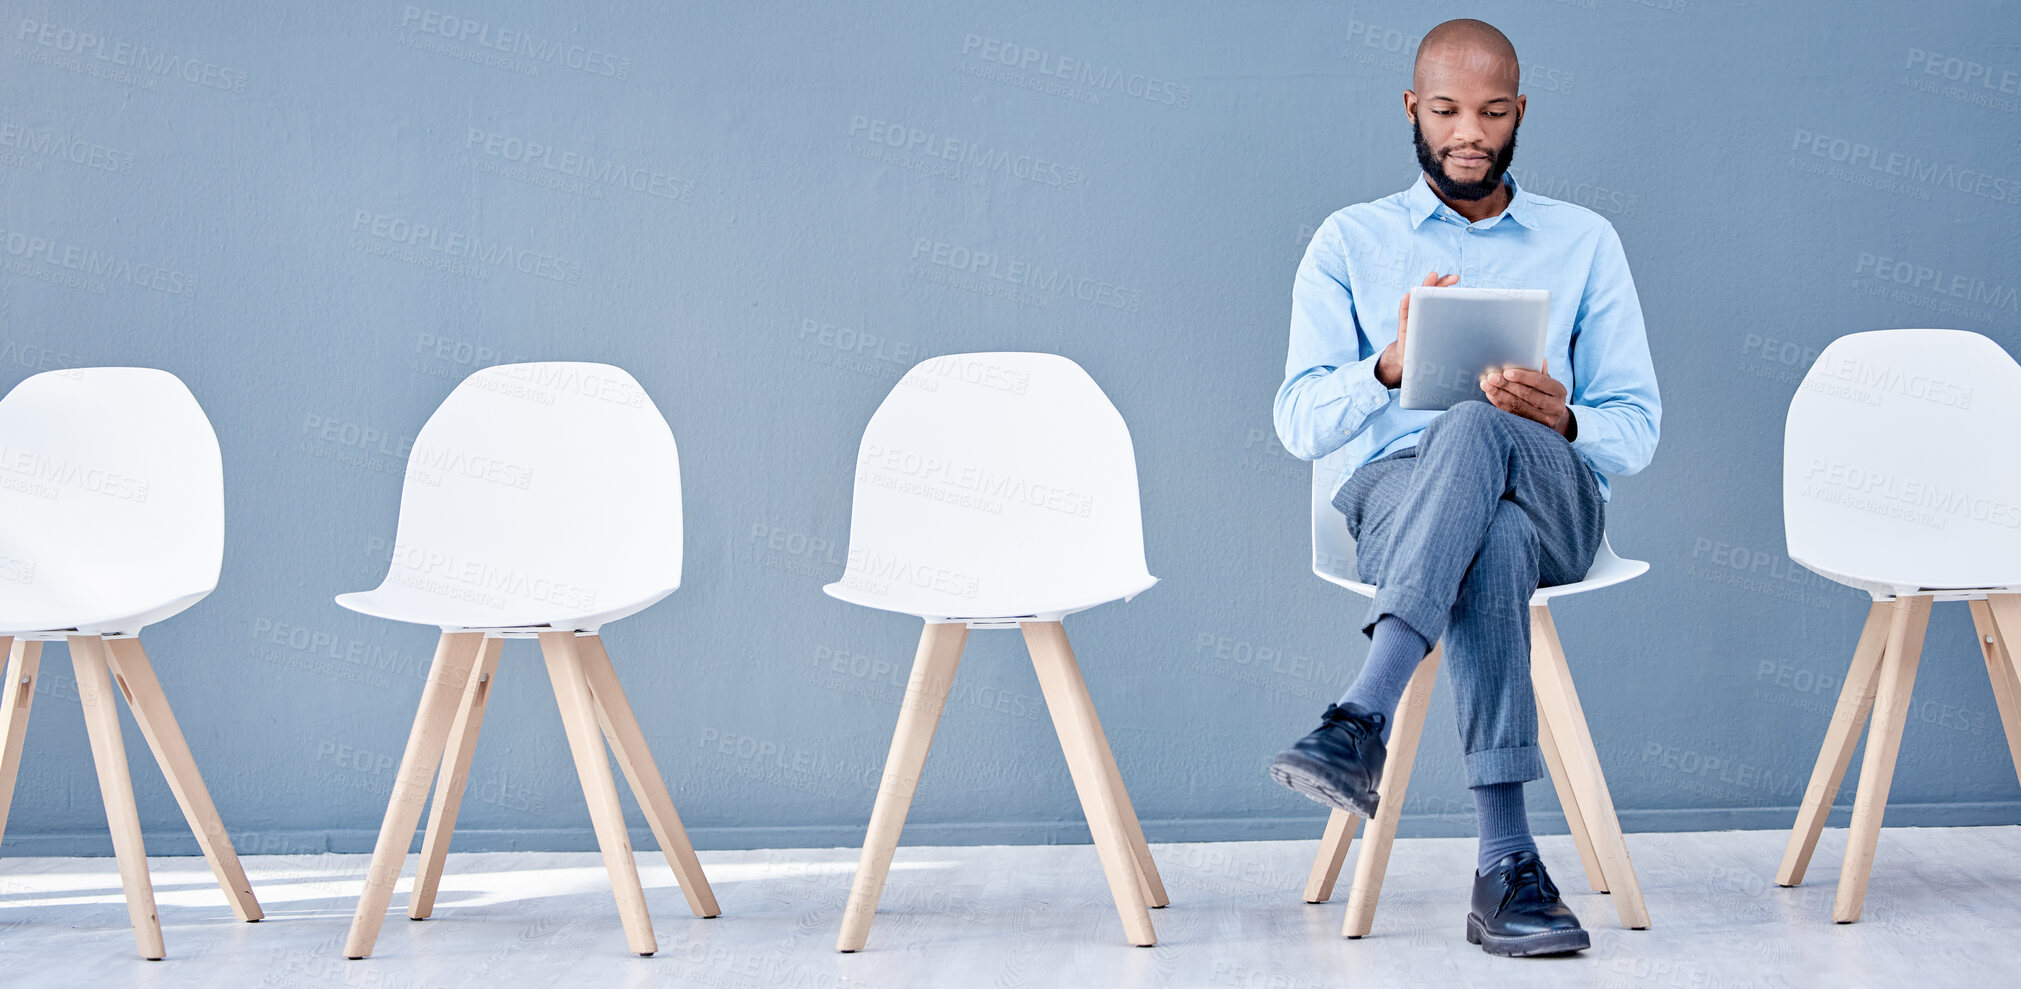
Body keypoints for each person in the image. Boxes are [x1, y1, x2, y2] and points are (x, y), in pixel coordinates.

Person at [1267, 18, 1660, 958]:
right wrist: (1388, 368)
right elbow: (1296, 421)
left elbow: (1636, 429)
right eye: (1445, 111)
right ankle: (1506, 866)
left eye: (1490, 112)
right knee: (1493, 539)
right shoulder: (1348, 240)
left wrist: (1560, 418)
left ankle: (1361, 712)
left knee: (1483, 423)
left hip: (1555, 491)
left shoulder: (1584, 241)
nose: (1468, 133)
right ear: (1413, 109)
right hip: (1400, 501)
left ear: (1518, 112)